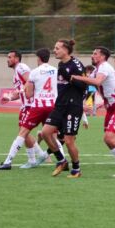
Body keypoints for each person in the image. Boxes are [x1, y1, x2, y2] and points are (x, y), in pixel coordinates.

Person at [71, 47, 115, 177]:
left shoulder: (104, 67)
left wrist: (77, 77)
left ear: (103, 57)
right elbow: (87, 83)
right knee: (109, 140)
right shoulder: (97, 70)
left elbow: (97, 82)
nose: (92, 55)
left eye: (95, 54)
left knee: (109, 138)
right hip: (111, 108)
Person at [39, 39, 87, 178]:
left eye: (57, 48)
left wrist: (70, 78)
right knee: (45, 132)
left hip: (72, 107)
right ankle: (61, 161)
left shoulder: (76, 65)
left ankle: (76, 169)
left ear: (65, 50)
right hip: (60, 105)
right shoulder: (61, 64)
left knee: (69, 140)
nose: (54, 50)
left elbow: (84, 85)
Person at [0, 50, 52, 170]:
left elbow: (30, 81)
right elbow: (22, 90)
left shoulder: (21, 67)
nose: (7, 59)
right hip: (25, 105)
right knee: (24, 133)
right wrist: (10, 98)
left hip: (30, 105)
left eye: (10, 57)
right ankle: (37, 157)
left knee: (23, 133)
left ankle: (13, 161)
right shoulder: (16, 71)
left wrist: (21, 90)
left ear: (16, 58)